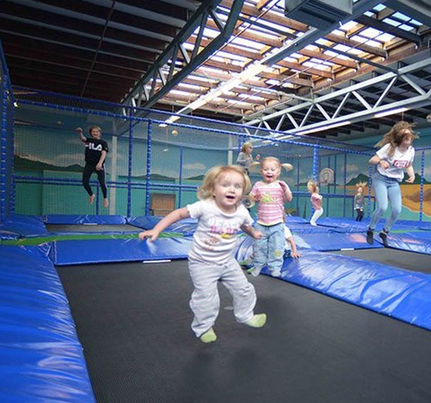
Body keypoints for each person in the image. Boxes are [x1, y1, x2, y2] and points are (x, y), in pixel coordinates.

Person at [138, 165, 266, 343]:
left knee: (244, 289)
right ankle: (203, 327)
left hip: (227, 261)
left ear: (242, 192)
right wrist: (156, 229)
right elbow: (178, 214)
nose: (231, 189)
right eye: (225, 185)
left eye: (237, 186)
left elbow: (245, 225)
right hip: (202, 263)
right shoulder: (205, 207)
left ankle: (245, 315)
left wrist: (253, 234)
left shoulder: (242, 211)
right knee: (207, 298)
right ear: (213, 189)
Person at [366, 120, 417, 247]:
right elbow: (372, 159)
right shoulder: (390, 148)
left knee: (396, 210)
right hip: (381, 179)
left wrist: (412, 174)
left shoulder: (411, 151)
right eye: (405, 136)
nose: (409, 138)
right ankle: (370, 229)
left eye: (410, 135)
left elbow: (409, 165)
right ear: (400, 138)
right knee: (382, 207)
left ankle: (384, 232)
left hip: (394, 182)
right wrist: (380, 162)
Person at [247, 156, 293, 277]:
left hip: (277, 223)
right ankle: (257, 265)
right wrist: (253, 198)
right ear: (261, 171)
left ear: (278, 172)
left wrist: (286, 190)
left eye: (272, 169)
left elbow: (288, 199)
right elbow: (251, 198)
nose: (269, 172)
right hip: (261, 223)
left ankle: (275, 267)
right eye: (266, 169)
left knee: (277, 246)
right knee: (258, 246)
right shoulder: (258, 185)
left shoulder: (281, 185)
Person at [75, 126, 109, 208]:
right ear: (91, 133)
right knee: (85, 182)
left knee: (102, 183)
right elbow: (82, 138)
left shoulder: (103, 142)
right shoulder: (89, 141)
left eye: (97, 132)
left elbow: (104, 153)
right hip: (89, 164)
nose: (95, 133)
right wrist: (80, 133)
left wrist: (100, 163)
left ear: (99, 133)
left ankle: (105, 198)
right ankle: (91, 194)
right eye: (93, 132)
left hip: (99, 164)